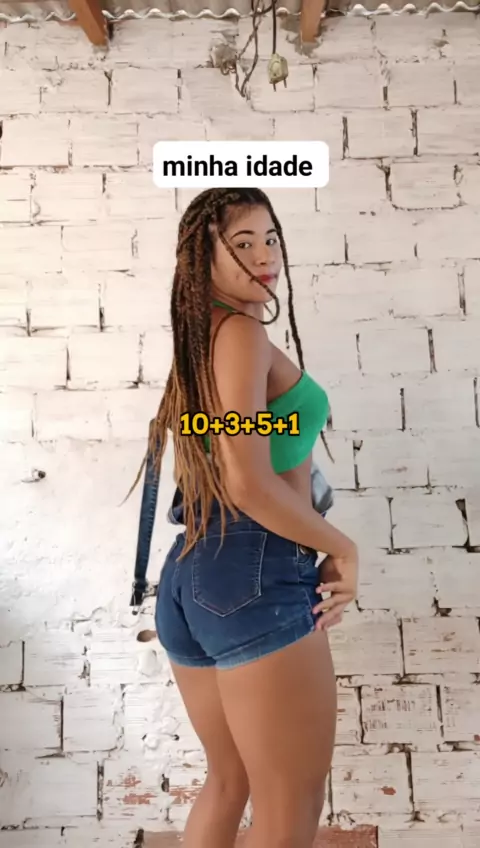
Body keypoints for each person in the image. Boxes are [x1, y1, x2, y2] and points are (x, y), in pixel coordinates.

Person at [135, 188, 359, 848]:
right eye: (242, 243)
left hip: (193, 577)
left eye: (271, 238)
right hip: (254, 573)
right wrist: (342, 546)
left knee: (228, 781)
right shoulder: (239, 334)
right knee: (288, 812)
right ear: (201, 257)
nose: (265, 256)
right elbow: (248, 482)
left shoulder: (202, 339)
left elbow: (236, 453)